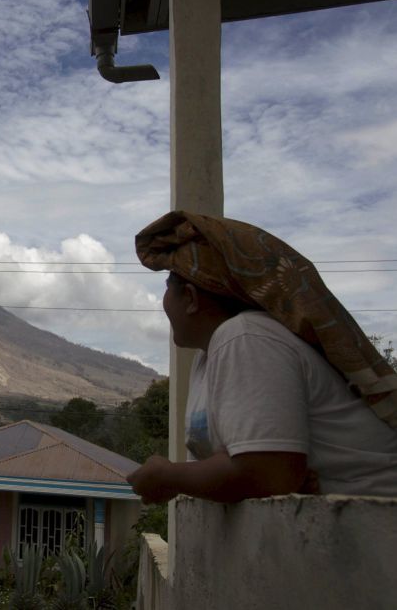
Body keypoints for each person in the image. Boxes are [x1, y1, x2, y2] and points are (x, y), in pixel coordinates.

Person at [126, 211, 397, 503]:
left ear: (190, 298)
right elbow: (250, 472)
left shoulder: (246, 336)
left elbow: (267, 474)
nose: (163, 304)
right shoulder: (207, 359)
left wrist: (167, 475)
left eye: (167, 290)